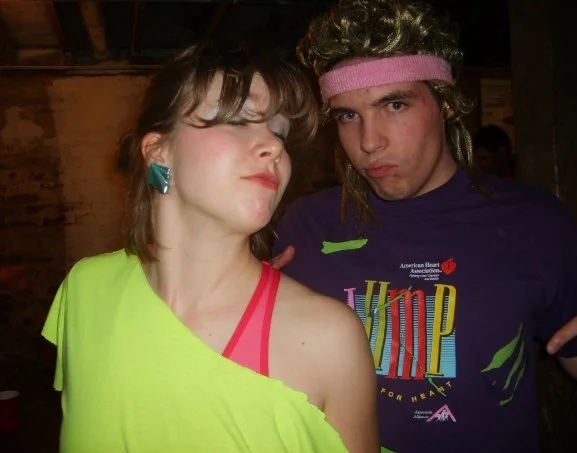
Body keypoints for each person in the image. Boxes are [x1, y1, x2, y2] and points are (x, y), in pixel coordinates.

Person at [272, 1, 577, 452]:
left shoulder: (534, 222)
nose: (369, 142)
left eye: (395, 104)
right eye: (348, 115)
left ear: (445, 104)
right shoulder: (308, 227)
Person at [41, 40, 379, 453]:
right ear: (159, 152)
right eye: (237, 120)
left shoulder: (329, 339)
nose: (274, 146)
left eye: (279, 132)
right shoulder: (85, 290)